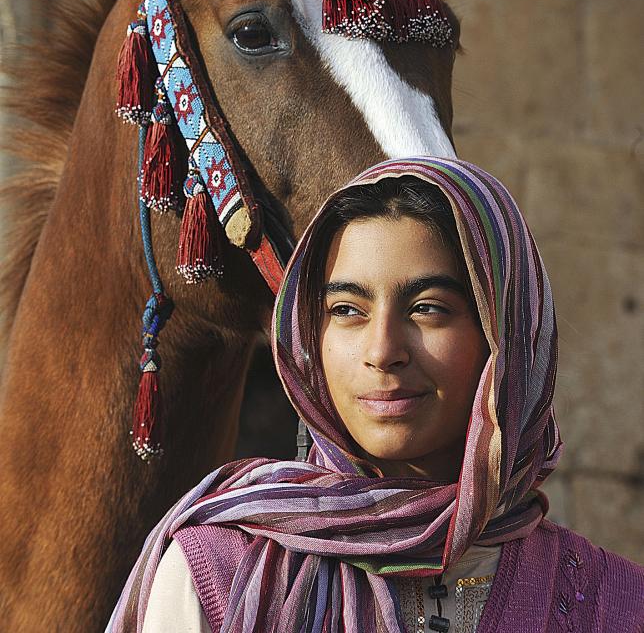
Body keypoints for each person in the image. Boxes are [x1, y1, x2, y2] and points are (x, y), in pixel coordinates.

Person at [108, 158, 644, 633]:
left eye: (428, 308)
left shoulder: (616, 603)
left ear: (507, 336)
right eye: (347, 310)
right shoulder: (217, 575)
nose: (382, 350)